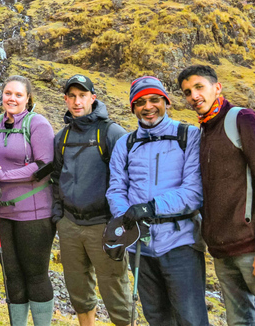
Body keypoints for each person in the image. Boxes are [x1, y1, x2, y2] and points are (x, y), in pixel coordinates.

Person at [178, 65, 255, 326]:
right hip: (222, 250)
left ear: (217, 88)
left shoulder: (242, 119)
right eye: (187, 92)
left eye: (199, 87)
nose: (193, 96)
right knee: (239, 322)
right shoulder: (205, 131)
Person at [106, 76, 208, 326]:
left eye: (154, 100)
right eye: (140, 102)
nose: (148, 107)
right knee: (156, 317)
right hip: (140, 245)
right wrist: (125, 220)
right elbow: (116, 188)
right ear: (133, 108)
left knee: (190, 317)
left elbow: (194, 192)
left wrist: (150, 207)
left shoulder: (189, 136)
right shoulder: (125, 144)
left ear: (166, 102)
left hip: (181, 242)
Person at [51, 74, 131, 326]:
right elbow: (55, 178)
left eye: (82, 96)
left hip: (104, 226)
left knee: (115, 290)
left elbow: (130, 176)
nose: (77, 101)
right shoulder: (61, 138)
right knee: (78, 291)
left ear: (93, 98)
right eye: (72, 96)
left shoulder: (112, 132)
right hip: (70, 226)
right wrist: (58, 217)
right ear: (65, 99)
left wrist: (122, 221)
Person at [0, 75, 56, 326]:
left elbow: (44, 165)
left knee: (35, 275)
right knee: (11, 276)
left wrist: (4, 174)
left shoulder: (38, 124)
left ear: (28, 99)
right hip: (1, 214)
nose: (11, 98)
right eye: (7, 93)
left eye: (18, 94)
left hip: (34, 214)